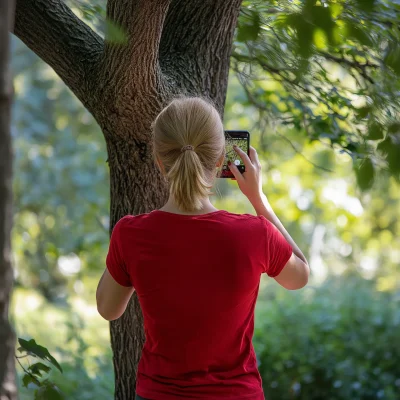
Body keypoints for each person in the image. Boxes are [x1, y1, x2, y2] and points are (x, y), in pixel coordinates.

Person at [96, 97, 310, 400]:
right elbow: (300, 276)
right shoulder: (255, 233)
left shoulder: (131, 234)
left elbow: (108, 309)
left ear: (159, 162)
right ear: (220, 158)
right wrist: (259, 199)